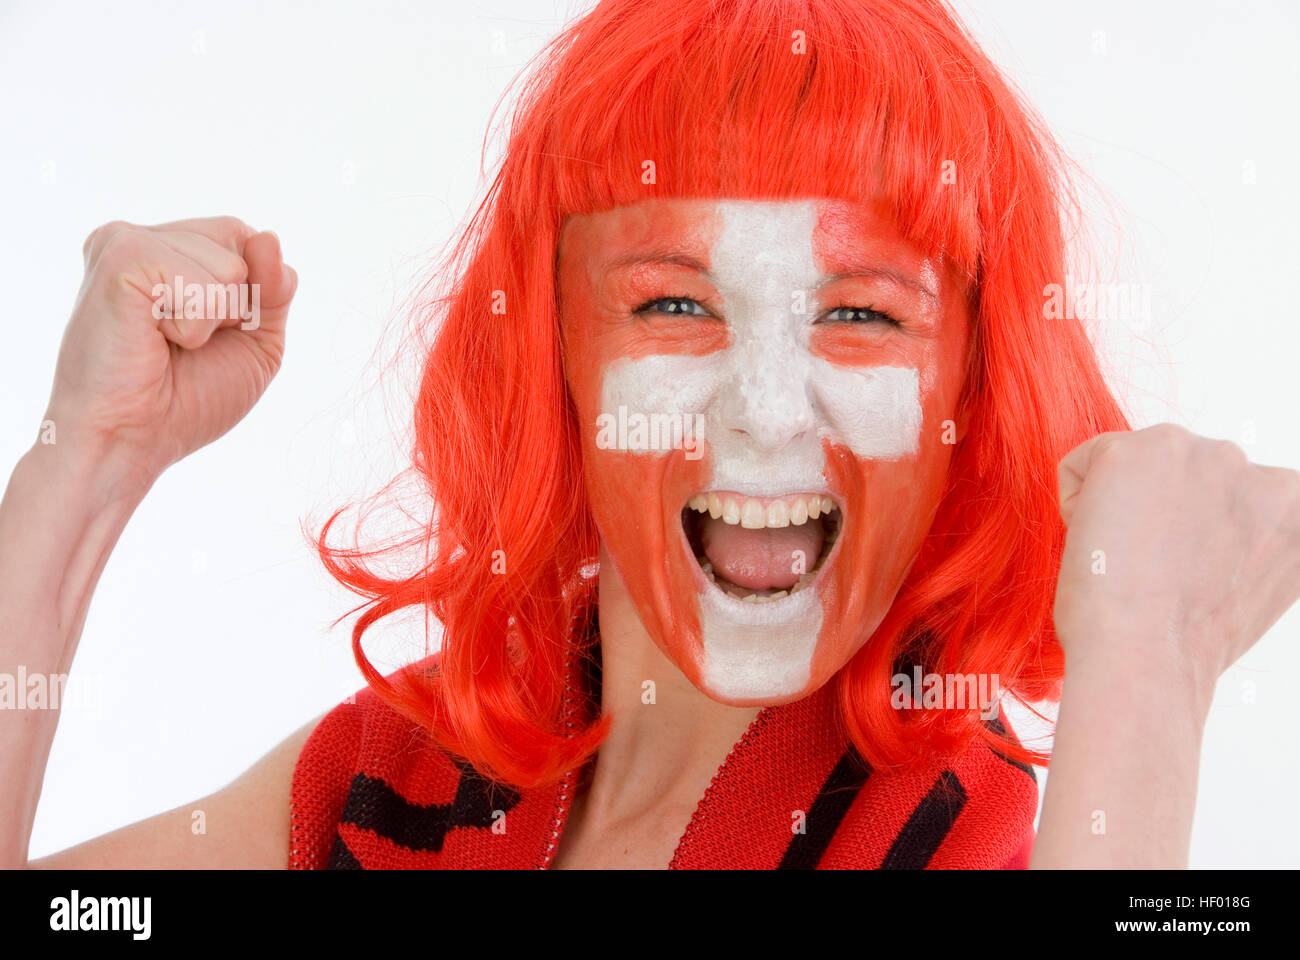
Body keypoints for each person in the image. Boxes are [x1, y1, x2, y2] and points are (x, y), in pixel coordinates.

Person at [4, 0, 1299, 870]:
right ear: (548, 360)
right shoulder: (399, 780)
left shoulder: (972, 834)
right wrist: (88, 459)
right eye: (676, 302)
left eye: (859, 311)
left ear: (975, 393)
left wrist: (1149, 676)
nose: (768, 407)